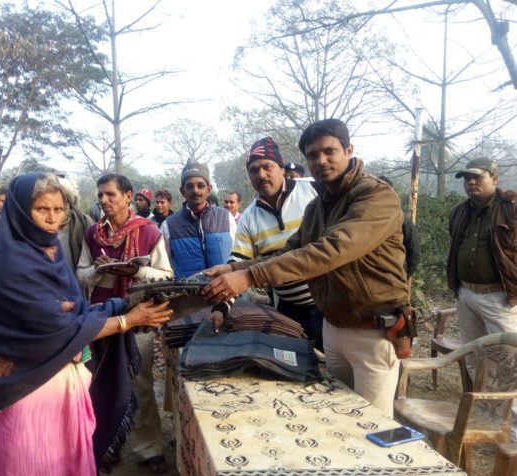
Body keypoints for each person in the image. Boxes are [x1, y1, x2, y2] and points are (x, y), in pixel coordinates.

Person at [0, 172, 171, 476]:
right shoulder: (11, 263)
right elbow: (56, 325)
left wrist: (127, 292)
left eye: (58, 209)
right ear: (20, 211)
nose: (52, 219)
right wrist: (125, 317)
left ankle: (146, 448)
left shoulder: (48, 253)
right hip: (26, 390)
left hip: (62, 376)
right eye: (42, 209)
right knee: (31, 467)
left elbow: (69, 307)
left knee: (67, 460)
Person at [203, 119, 409, 417]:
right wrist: (234, 269)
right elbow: (289, 251)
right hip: (333, 326)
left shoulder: (376, 196)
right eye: (313, 155)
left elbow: (330, 251)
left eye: (329, 151)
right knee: (337, 417)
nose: (321, 160)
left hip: (373, 330)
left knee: (372, 425)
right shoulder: (318, 206)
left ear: (349, 150)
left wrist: (249, 276)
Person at [76, 174, 173, 475]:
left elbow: (166, 276)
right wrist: (97, 270)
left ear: (128, 196)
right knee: (100, 383)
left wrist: (136, 272)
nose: (104, 200)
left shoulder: (149, 231)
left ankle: (149, 448)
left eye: (111, 195)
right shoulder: (92, 234)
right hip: (101, 318)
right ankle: (108, 445)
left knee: (140, 384)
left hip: (139, 315)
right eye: (100, 195)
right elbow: (80, 274)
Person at [230, 137, 322, 350]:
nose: (261, 175)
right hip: (287, 311)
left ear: (281, 168)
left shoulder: (313, 189)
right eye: (253, 170)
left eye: (267, 166)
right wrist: (221, 307)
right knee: (295, 363)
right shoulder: (248, 217)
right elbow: (237, 263)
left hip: (331, 305)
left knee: (337, 366)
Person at [447, 157, 516, 354]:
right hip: (466, 294)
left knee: (506, 357)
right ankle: (475, 377)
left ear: (494, 179)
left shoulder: (511, 209)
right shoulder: (458, 212)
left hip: (499, 297)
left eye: (477, 177)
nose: (470, 182)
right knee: (473, 354)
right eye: (466, 178)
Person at [161, 158, 235, 279]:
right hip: (187, 291)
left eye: (200, 185)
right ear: (182, 191)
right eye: (189, 186)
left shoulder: (225, 217)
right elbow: (165, 266)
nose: (195, 190)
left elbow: (237, 257)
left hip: (224, 288)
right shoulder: (168, 226)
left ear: (209, 189)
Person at [378, 175, 422, 278]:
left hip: (392, 279)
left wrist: (404, 276)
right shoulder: (362, 219)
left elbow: (415, 254)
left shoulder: (403, 219)